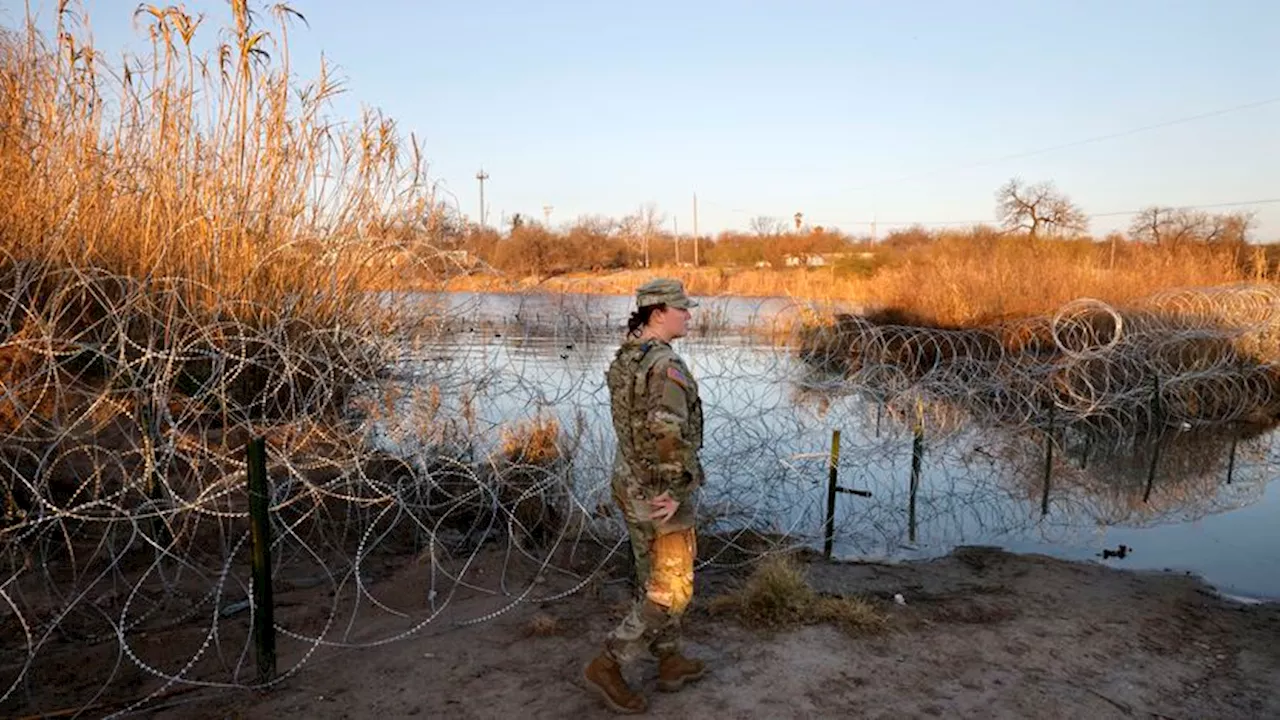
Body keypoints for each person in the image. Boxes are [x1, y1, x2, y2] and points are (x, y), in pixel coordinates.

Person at [583, 277, 707, 714]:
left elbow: (634, 427)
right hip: (659, 492)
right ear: (658, 313)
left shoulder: (627, 357)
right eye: (682, 309)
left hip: (632, 482)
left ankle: (669, 659)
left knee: (651, 574)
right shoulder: (663, 365)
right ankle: (609, 663)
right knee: (672, 588)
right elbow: (665, 431)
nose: (689, 315)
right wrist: (675, 490)